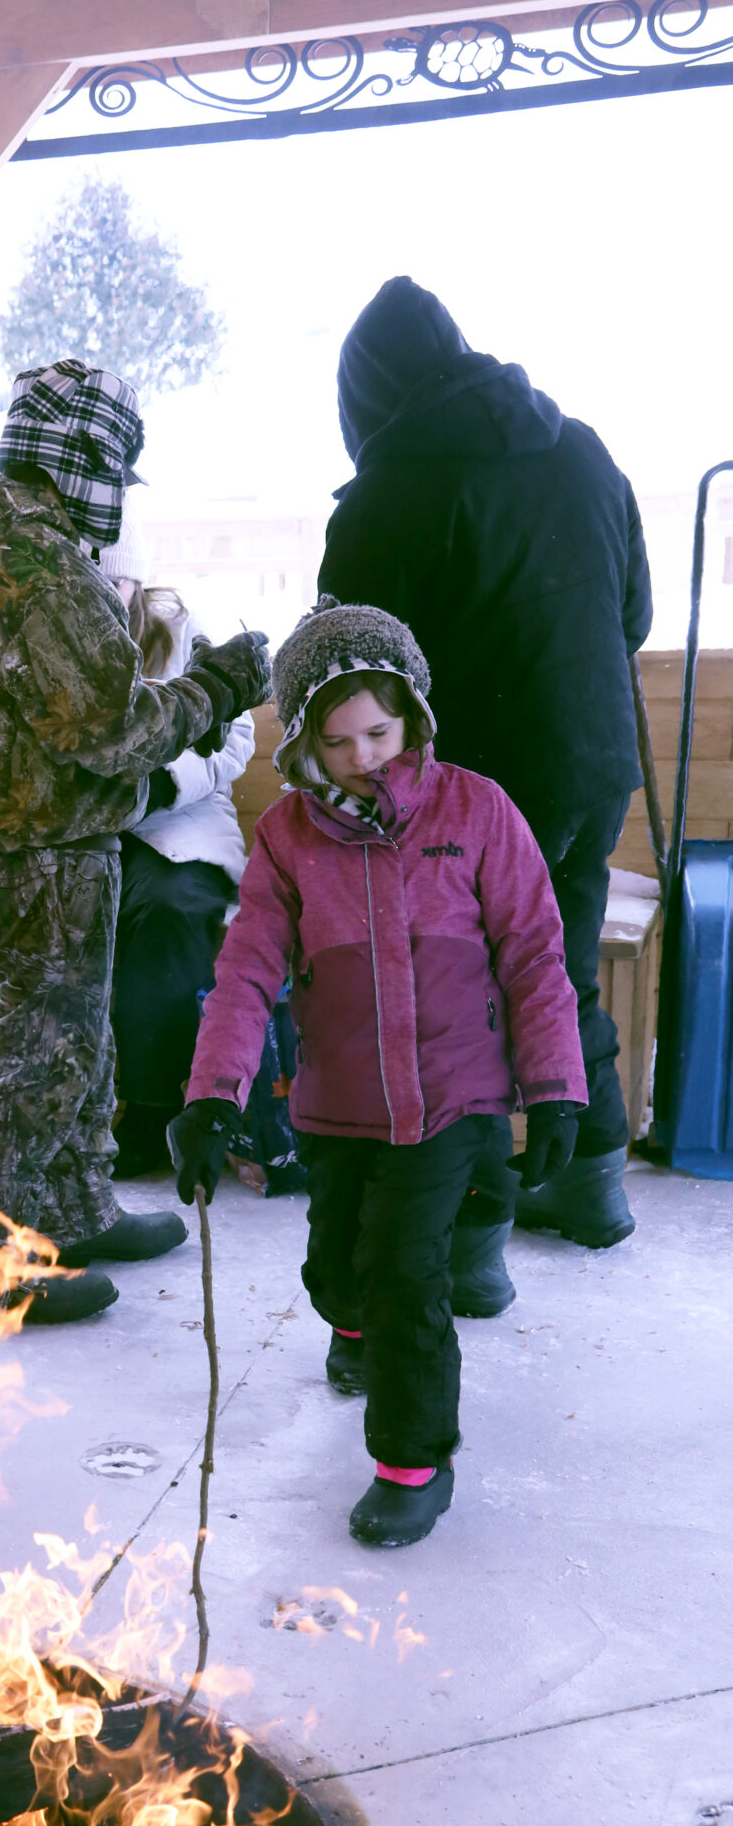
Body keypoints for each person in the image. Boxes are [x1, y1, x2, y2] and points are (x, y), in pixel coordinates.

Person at [169, 603, 585, 1550]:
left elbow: (532, 952)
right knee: (338, 1269)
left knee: (405, 1274)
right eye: (338, 740)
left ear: (412, 719)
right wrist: (211, 1097)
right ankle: (347, 1325)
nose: (361, 757)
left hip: (452, 1101)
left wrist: (556, 1086)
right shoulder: (287, 837)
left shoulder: (475, 810)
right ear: (305, 740)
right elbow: (245, 972)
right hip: (341, 1104)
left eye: (379, 734)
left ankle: (411, 1462)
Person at [0, 358, 272, 1325]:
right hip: (40, 843)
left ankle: (71, 1208)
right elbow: (114, 731)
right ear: (86, 466)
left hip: (1, 834)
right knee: (42, 1049)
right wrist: (222, 684)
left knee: (72, 1034)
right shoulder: (38, 563)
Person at [320, 277, 652, 1262]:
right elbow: (632, 614)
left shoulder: (384, 499)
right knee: (557, 969)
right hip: (595, 764)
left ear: (366, 396)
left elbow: (350, 681)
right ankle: (590, 1182)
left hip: (479, 790)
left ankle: (469, 1244)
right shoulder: (581, 448)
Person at [99, 539, 256, 1180]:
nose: (100, 597)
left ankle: (155, 1106)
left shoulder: (183, 634)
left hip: (179, 822)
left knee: (169, 912)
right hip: (85, 833)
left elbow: (233, 734)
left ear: (135, 581)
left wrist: (163, 784)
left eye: (113, 583)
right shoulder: (45, 636)